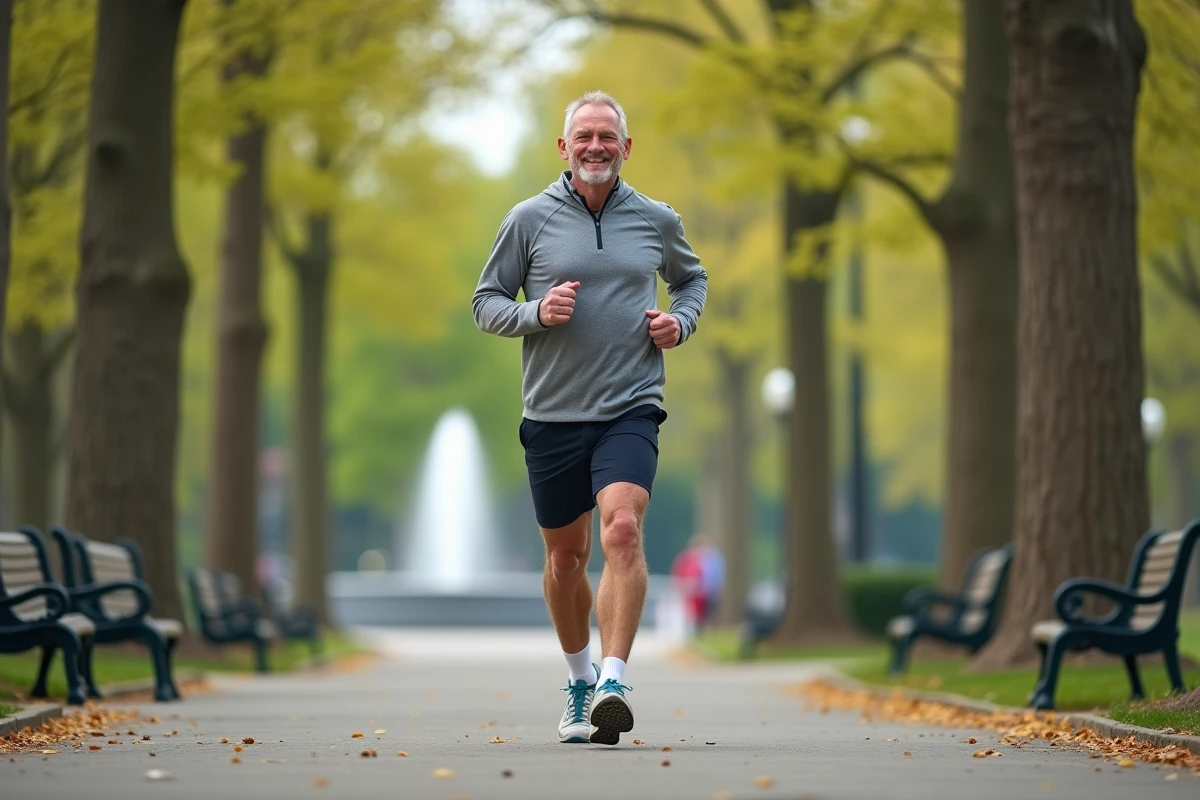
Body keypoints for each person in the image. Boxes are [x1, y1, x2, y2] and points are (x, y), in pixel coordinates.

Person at [472, 90, 708, 746]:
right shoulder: (527, 220)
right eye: (585, 136)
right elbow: (485, 301)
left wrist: (678, 323)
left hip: (630, 404)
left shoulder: (656, 220)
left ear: (627, 148)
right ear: (564, 147)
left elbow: (692, 280)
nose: (597, 146)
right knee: (567, 562)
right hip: (551, 413)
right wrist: (533, 313)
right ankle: (578, 681)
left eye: (609, 136)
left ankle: (613, 679)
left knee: (624, 530)